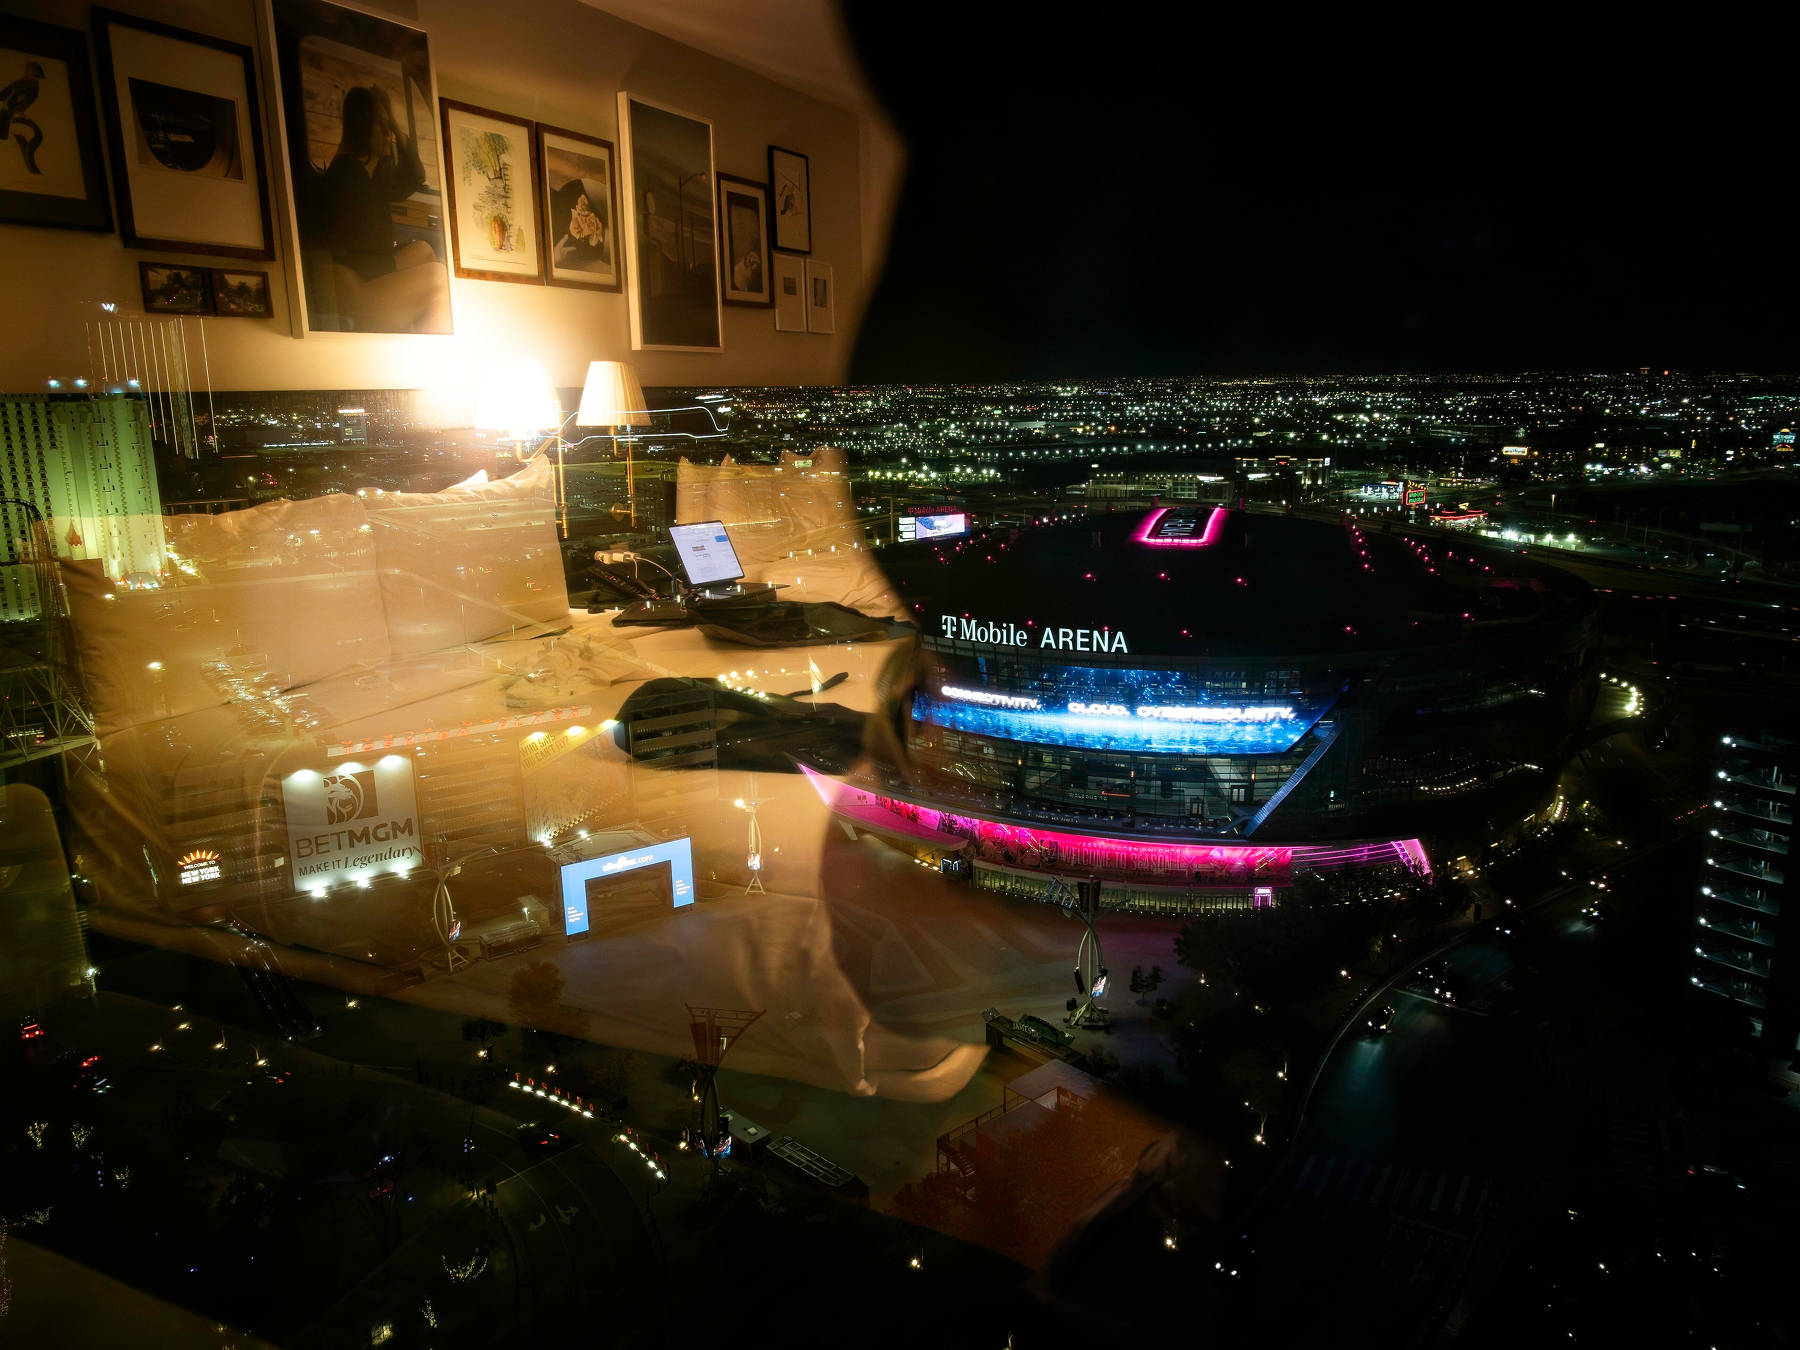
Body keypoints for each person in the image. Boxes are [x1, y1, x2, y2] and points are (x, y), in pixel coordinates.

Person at [313, 83, 448, 333]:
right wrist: (401, 272)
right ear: (362, 126)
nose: (388, 132)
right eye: (381, 124)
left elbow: (415, 176)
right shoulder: (348, 179)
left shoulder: (366, 176)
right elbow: (356, 257)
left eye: (389, 125)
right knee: (438, 277)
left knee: (424, 250)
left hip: (360, 277)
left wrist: (393, 119)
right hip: (351, 289)